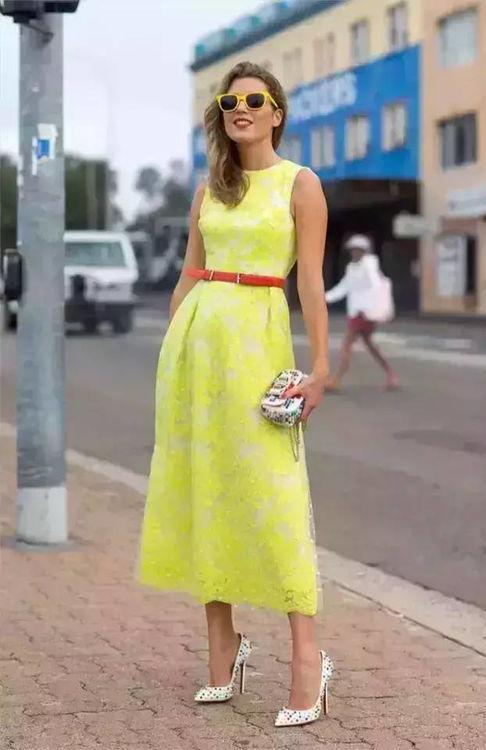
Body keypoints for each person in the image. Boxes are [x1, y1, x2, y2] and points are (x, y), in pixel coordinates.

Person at [137, 61, 334, 728]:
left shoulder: (300, 184)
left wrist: (320, 367)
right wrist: (173, 346)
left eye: (255, 99)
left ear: (277, 112)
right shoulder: (209, 189)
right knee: (206, 490)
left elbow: (310, 283)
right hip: (196, 350)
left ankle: (308, 659)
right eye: (230, 101)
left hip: (259, 344)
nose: (241, 108)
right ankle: (222, 648)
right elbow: (189, 274)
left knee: (274, 496)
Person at [324, 234, 399, 391]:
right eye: (353, 250)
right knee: (369, 344)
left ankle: (335, 380)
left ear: (364, 251)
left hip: (366, 312)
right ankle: (391, 374)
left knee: (347, 344)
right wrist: (325, 297)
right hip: (357, 312)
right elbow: (344, 287)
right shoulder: (352, 267)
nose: (354, 252)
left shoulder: (369, 263)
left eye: (358, 250)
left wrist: (379, 309)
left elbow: (376, 284)